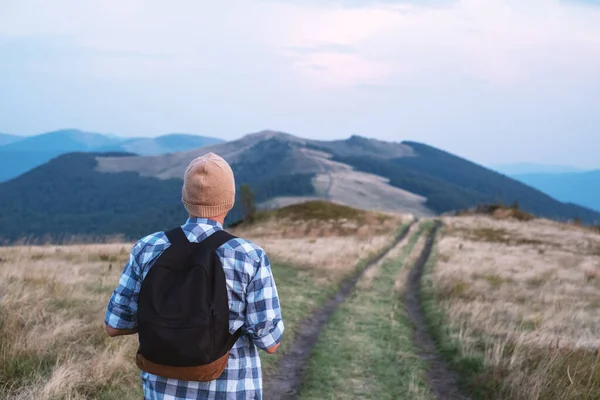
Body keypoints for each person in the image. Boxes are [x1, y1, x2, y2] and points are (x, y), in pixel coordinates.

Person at [104, 152, 284, 400]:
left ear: (185, 198)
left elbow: (114, 325)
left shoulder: (147, 247)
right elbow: (271, 342)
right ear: (229, 200)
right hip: (230, 390)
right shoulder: (249, 256)